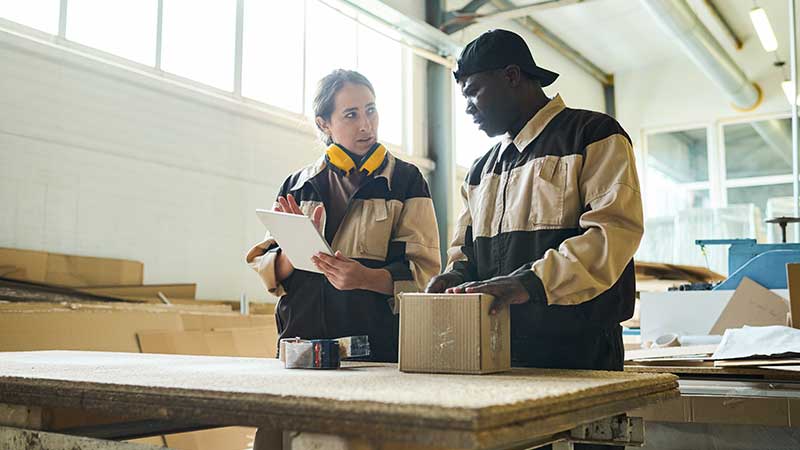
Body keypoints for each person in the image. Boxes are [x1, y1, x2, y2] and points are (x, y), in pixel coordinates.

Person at [427, 29, 643, 450]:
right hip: (500, 353)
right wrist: (452, 276)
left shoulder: (593, 135)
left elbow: (611, 234)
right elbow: (464, 249)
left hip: (580, 353)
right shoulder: (480, 170)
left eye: (473, 93)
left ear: (511, 76)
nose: (468, 108)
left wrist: (530, 283)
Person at [246, 69, 440, 363]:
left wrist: (365, 277)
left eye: (371, 111)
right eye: (351, 115)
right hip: (300, 346)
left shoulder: (406, 181)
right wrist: (294, 250)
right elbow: (267, 271)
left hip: (374, 352)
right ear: (324, 124)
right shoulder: (297, 186)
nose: (366, 125)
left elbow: (425, 275)